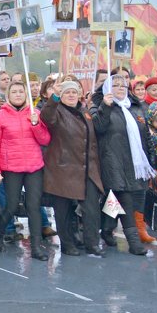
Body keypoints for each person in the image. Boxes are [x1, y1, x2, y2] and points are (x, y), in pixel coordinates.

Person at [40, 81, 105, 256]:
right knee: (63, 211)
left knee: (91, 208)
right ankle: (67, 243)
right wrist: (53, 98)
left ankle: (92, 243)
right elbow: (46, 116)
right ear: (61, 96)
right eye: (67, 92)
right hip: (63, 169)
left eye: (74, 92)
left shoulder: (84, 111)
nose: (71, 95)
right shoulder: (57, 111)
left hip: (87, 168)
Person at [0, 82, 50, 261]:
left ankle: (36, 246)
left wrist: (36, 124)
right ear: (8, 95)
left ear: (26, 93)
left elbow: (45, 139)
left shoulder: (35, 113)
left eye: (21, 91)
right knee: (12, 205)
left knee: (34, 206)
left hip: (34, 166)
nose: (17, 94)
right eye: (13, 91)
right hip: (11, 167)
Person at [91, 74, 153, 256]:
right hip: (112, 160)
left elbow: (145, 133)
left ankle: (107, 228)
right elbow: (99, 127)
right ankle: (133, 242)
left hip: (135, 161)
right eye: (115, 85)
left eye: (123, 85)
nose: (120, 88)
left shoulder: (135, 107)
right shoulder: (99, 105)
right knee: (125, 198)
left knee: (114, 198)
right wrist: (105, 107)